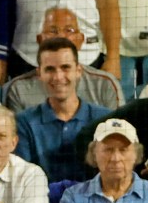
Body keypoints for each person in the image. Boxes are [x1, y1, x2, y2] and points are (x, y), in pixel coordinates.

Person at [14, 38, 110, 183]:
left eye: (65, 68)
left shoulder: (105, 119)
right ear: (39, 74)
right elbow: (23, 180)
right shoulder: (23, 123)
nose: (58, 77)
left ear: (78, 71)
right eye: (50, 69)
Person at [4, 7, 124, 112]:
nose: (61, 36)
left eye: (69, 30)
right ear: (39, 39)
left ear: (81, 39)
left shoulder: (105, 85)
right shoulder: (19, 89)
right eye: (53, 30)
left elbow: (119, 132)